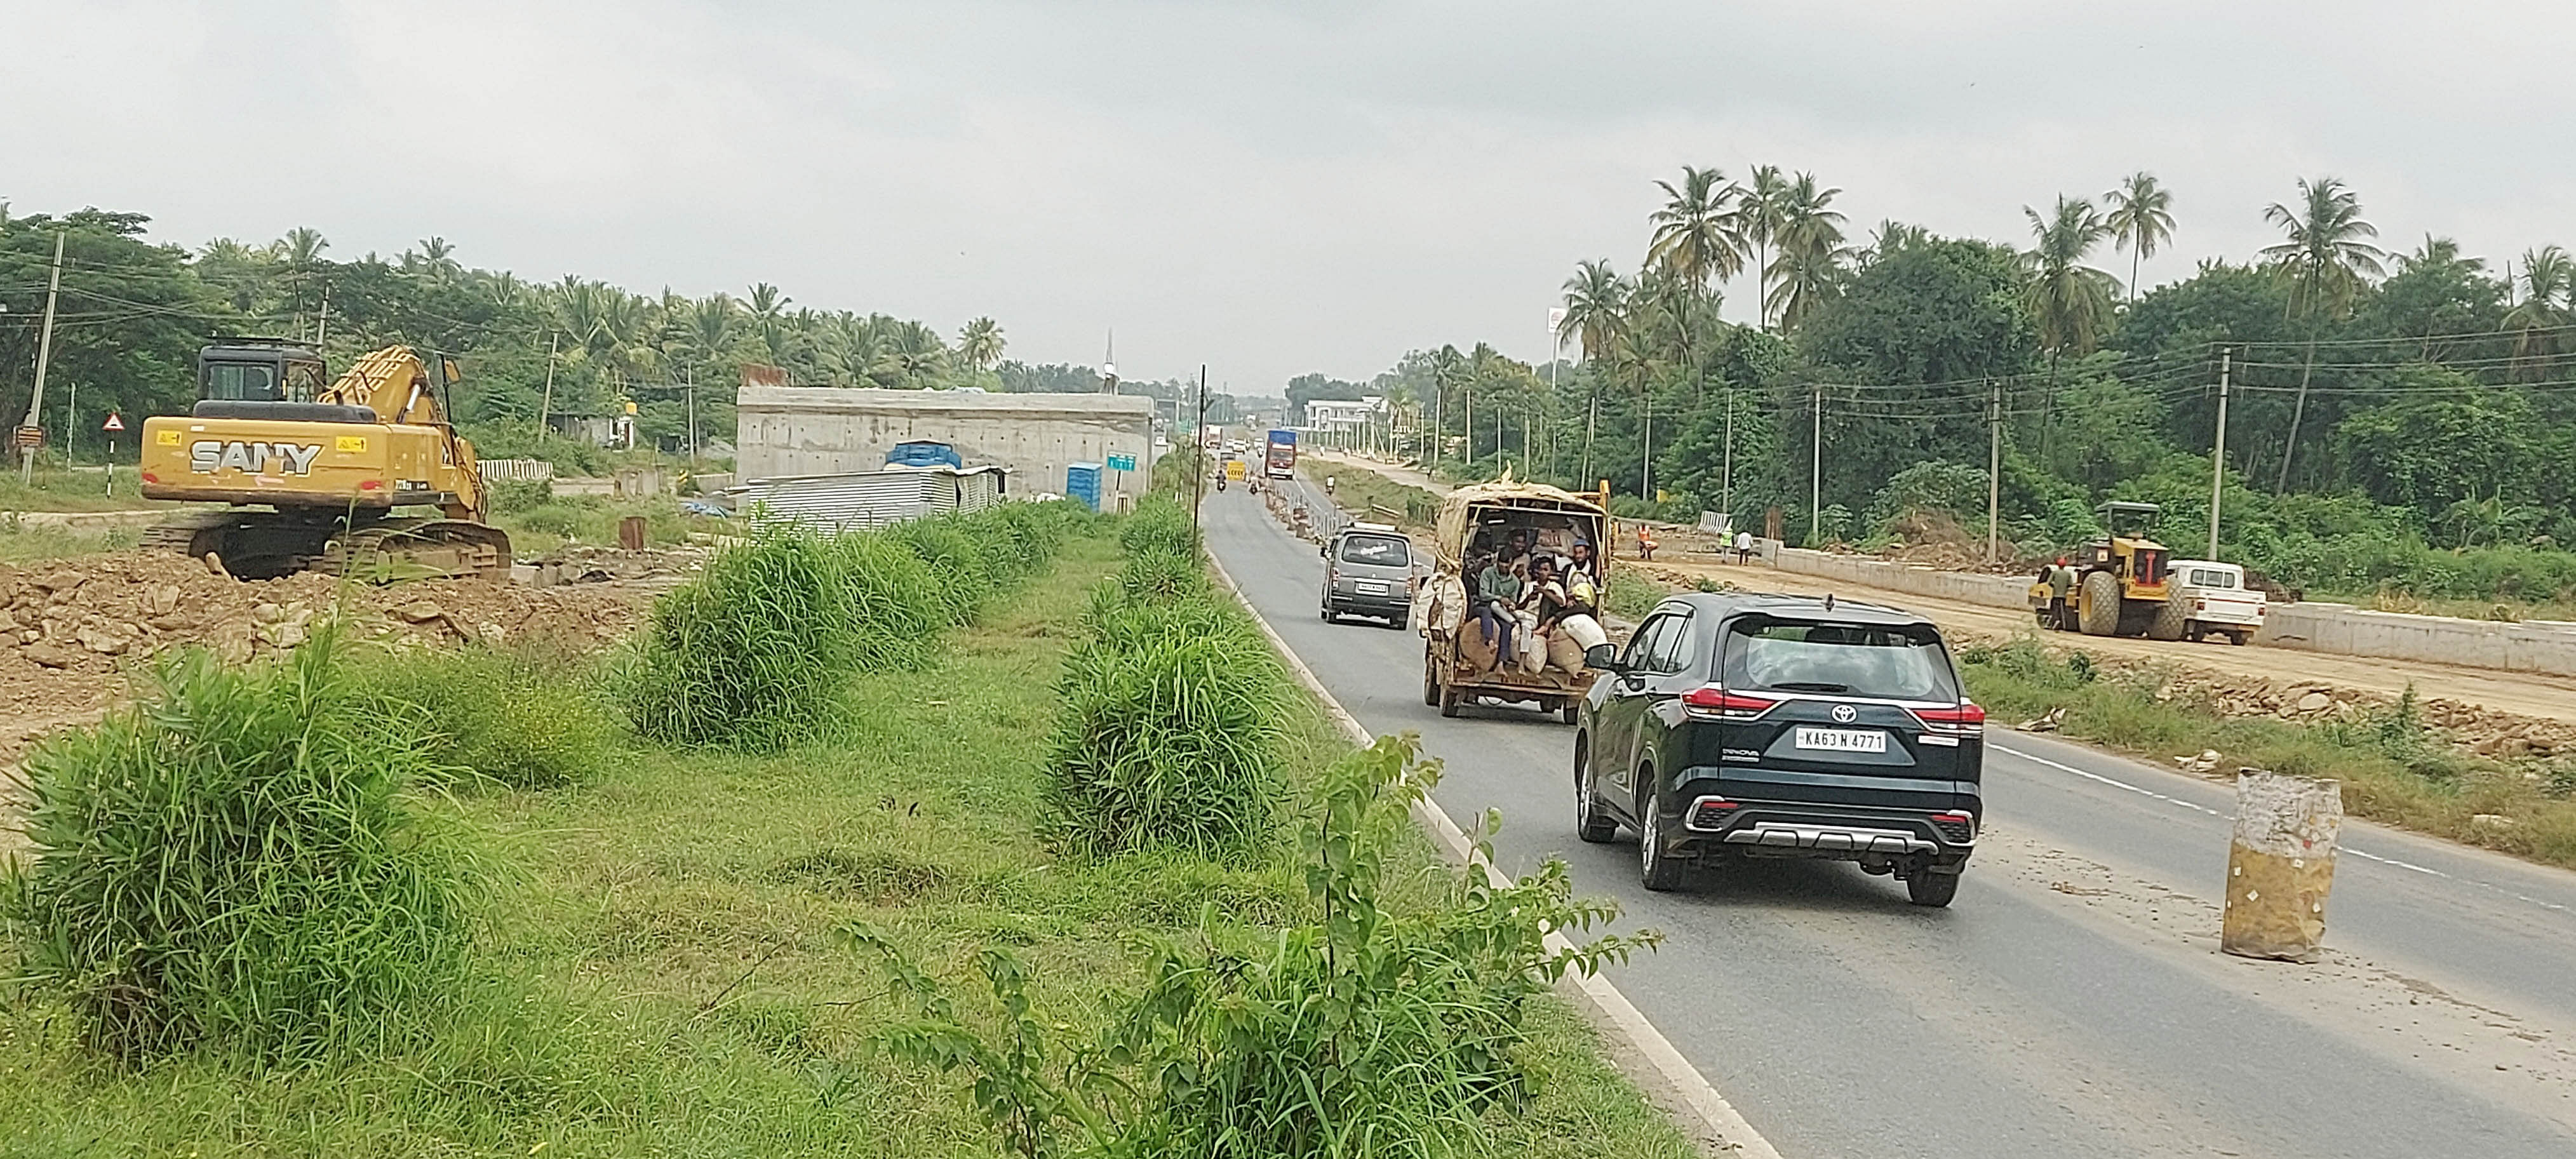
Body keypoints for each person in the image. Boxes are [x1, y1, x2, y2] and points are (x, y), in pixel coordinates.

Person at [1475, 551, 1528, 671]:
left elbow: (1513, 600)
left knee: (1506, 627)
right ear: (1498, 562)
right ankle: (1489, 641)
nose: (1504, 566)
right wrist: (1500, 598)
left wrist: (1510, 605)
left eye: (1507, 564)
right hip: (1484, 605)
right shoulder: (1488, 573)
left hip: (1501, 611)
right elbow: (1483, 595)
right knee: (1486, 613)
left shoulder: (1515, 581)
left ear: (1511, 564)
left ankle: (1501, 663)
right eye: (1502, 563)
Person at [2046, 556, 2076, 628]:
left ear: (2057, 565)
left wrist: (2054, 586)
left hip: (2055, 595)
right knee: (2063, 609)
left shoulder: (2055, 573)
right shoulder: (2068, 574)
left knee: (2055, 609)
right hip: (2064, 595)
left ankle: (2055, 621)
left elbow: (2049, 582)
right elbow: (2071, 584)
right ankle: (2063, 624)